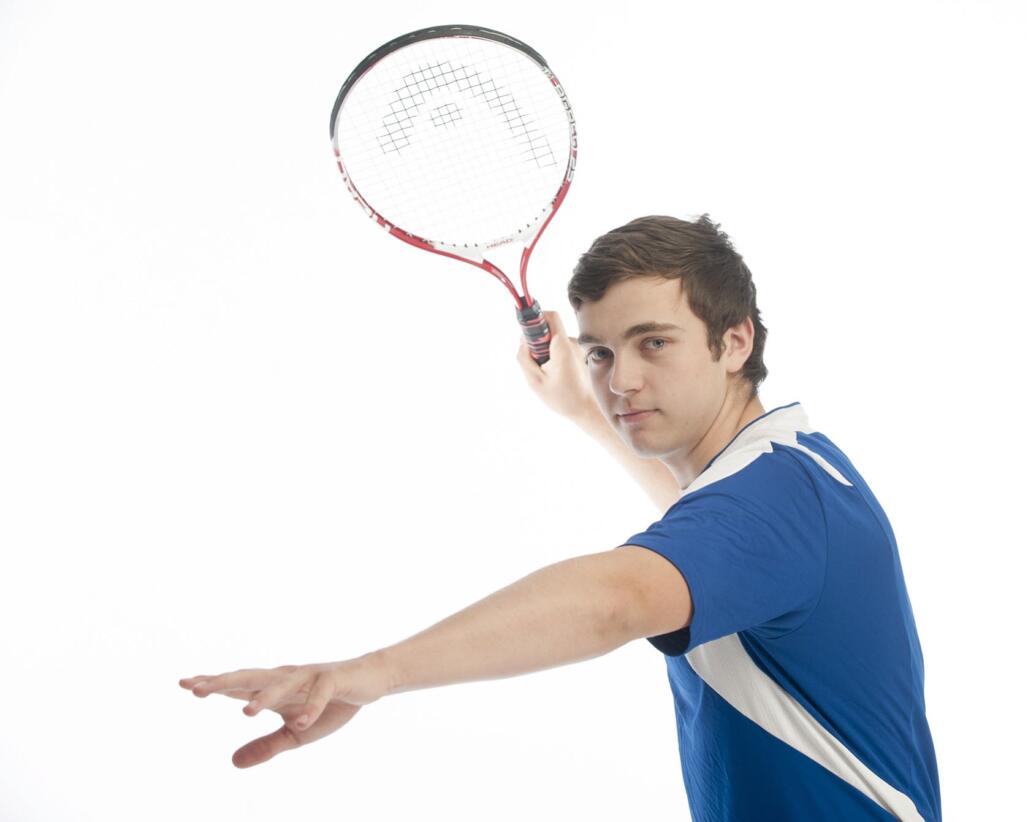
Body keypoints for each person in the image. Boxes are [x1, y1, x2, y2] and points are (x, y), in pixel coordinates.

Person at [180, 214, 941, 822]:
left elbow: (618, 599)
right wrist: (586, 412)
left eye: (654, 343)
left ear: (734, 340)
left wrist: (369, 674)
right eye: (601, 353)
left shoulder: (773, 502)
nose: (624, 379)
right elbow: (711, 531)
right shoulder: (798, 464)